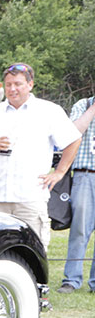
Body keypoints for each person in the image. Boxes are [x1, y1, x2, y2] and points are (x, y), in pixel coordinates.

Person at [0, 63, 81, 247]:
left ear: (30, 84)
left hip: (30, 197)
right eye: (8, 85)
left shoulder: (48, 111)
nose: (12, 89)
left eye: (18, 84)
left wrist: (59, 172)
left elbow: (73, 140)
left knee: (32, 250)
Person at [60, 95, 95, 293]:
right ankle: (71, 280)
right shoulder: (83, 104)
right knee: (80, 230)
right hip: (85, 175)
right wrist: (93, 109)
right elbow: (72, 132)